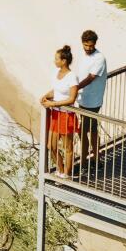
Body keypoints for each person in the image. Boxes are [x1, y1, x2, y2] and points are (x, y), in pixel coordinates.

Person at [39, 45, 80, 176]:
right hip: (56, 114)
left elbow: (72, 99)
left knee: (68, 147)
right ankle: (61, 170)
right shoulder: (55, 73)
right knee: (51, 146)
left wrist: (53, 103)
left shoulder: (72, 76)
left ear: (64, 61)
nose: (54, 61)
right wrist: (46, 96)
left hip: (66, 114)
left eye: (57, 59)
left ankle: (67, 174)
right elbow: (55, 91)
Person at [74, 29, 107, 172]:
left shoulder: (100, 58)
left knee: (83, 131)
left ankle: (84, 163)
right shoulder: (82, 55)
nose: (88, 48)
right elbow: (79, 74)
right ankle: (96, 159)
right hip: (83, 98)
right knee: (92, 129)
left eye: (91, 46)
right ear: (82, 44)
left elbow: (90, 78)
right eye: (86, 46)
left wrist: (74, 89)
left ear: (95, 44)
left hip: (93, 100)